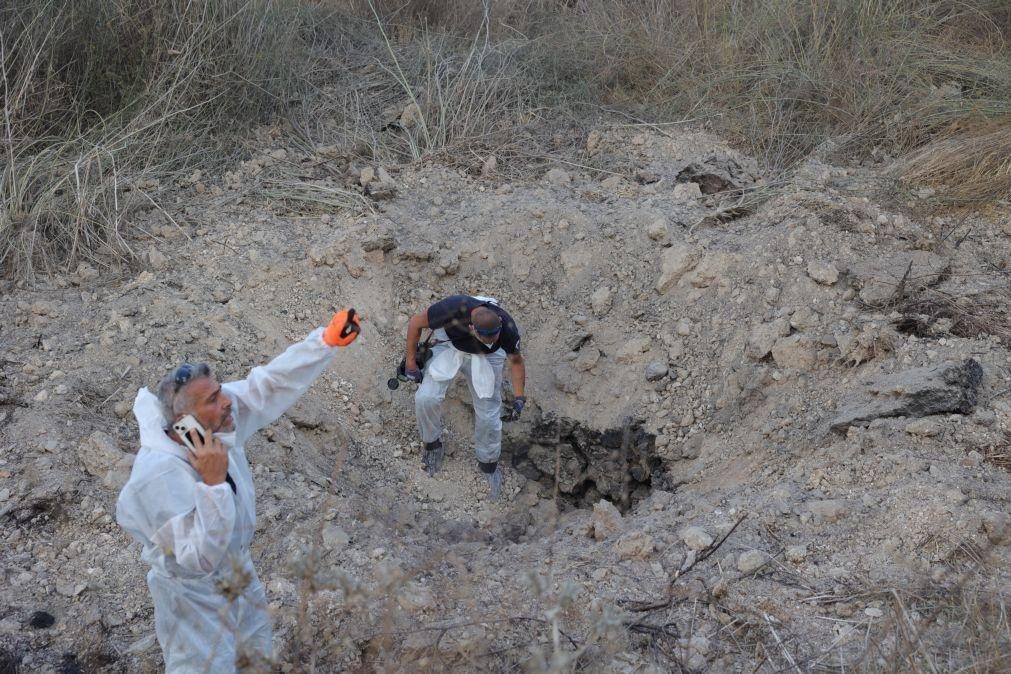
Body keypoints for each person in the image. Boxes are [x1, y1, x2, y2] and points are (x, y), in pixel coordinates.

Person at [116, 309, 361, 672]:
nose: (226, 401)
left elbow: (268, 386)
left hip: (239, 572)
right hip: (194, 595)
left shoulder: (215, 424)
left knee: (255, 656)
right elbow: (200, 559)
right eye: (212, 400)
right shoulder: (158, 475)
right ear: (183, 422)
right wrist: (214, 486)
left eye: (219, 391)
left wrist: (323, 343)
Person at [403, 295, 526, 498]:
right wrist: (410, 363)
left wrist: (520, 397)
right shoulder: (450, 309)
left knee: (488, 415)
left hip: (488, 357)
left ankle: (489, 465)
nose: (492, 340)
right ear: (472, 327)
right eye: (487, 338)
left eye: (495, 337)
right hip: (452, 345)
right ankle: (432, 445)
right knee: (426, 398)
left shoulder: (507, 329)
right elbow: (416, 322)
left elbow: (516, 362)